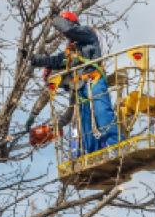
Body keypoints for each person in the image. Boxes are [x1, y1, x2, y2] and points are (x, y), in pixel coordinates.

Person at [25, 11, 120, 154]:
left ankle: (117, 148)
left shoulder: (88, 35)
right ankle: (94, 155)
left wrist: (54, 18)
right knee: (85, 127)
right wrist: (32, 58)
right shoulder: (70, 52)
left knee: (102, 114)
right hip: (81, 87)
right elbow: (53, 61)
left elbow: (69, 30)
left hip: (94, 81)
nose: (64, 35)